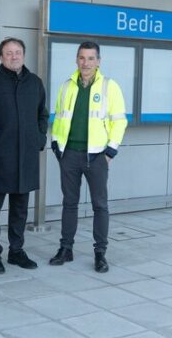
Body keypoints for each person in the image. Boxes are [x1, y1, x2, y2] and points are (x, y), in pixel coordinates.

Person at [49, 41, 127, 273]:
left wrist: (110, 151)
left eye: (91, 58)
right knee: (69, 203)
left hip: (97, 156)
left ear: (98, 61)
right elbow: (59, 116)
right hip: (69, 154)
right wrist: (56, 144)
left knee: (100, 205)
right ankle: (66, 249)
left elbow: (119, 121)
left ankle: (100, 253)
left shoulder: (109, 86)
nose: (86, 63)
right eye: (82, 58)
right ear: (77, 60)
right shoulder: (67, 86)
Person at [0, 38, 48, 274]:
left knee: (20, 209)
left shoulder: (35, 82)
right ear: (1, 57)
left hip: (26, 156)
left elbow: (42, 114)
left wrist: (39, 138)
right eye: (8, 53)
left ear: (23, 55)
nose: (14, 56)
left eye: (17, 52)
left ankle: (16, 251)